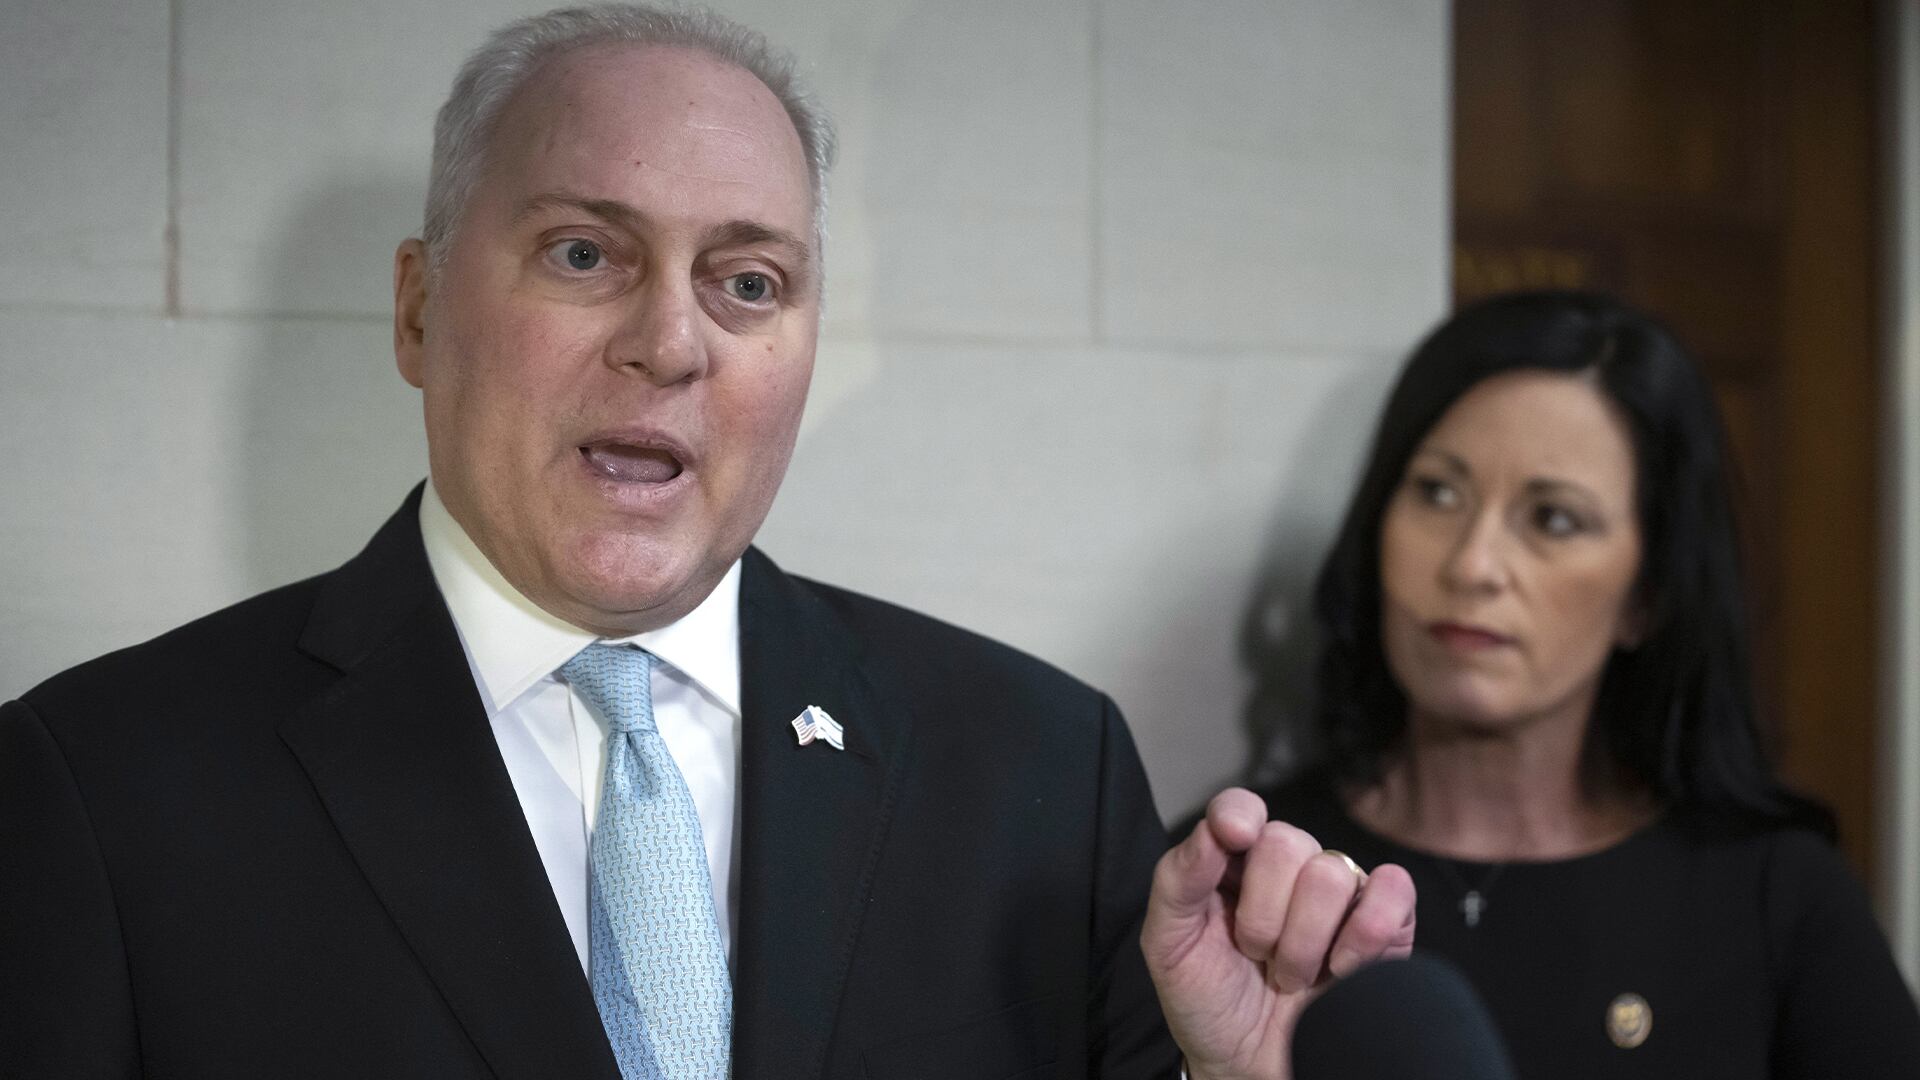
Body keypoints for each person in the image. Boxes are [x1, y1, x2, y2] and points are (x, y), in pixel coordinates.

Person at [0, 6, 1413, 1078]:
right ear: (420, 310)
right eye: (584, 254)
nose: (670, 342)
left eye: (747, 282)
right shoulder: (102, 792)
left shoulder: (1042, 771)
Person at [1243, 290, 1920, 1079]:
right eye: (1438, 492)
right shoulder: (1258, 874)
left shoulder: (1777, 896)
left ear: (1646, 596)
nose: (1472, 565)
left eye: (1554, 519)